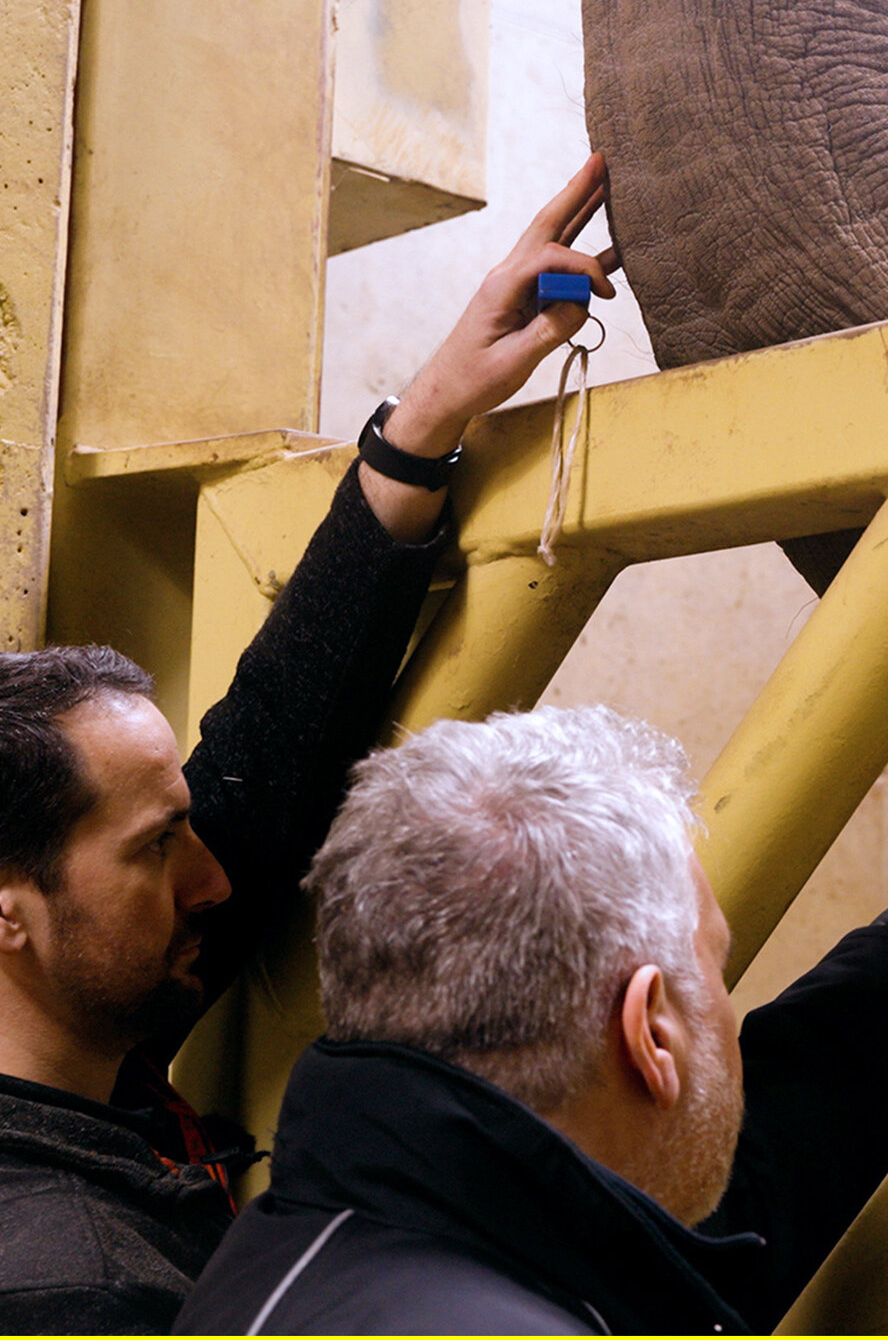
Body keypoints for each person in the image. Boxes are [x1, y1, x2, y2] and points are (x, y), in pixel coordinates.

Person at [0, 157, 619, 1331]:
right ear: (9, 913)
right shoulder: (69, 1286)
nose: (216, 877)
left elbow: (266, 761)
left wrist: (429, 416)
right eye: (155, 849)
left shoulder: (67, 1023)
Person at [171, 707, 888, 1334]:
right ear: (653, 1034)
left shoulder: (266, 1270)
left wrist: (870, 1020)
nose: (729, 1015)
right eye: (716, 972)